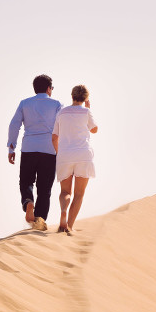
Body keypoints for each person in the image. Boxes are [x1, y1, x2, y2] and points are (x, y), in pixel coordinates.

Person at [7, 74, 62, 231]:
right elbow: (62, 126)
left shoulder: (25, 103)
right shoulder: (57, 104)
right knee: (45, 189)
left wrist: (12, 147)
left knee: (26, 181)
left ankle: (28, 202)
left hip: (29, 148)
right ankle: (39, 220)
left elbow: (14, 125)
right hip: (49, 149)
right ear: (48, 88)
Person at [51, 85, 98, 234]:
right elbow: (95, 129)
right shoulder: (86, 111)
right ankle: (68, 226)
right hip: (83, 155)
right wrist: (88, 108)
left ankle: (64, 210)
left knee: (65, 191)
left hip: (65, 155)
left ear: (72, 96)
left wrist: (60, 153)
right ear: (85, 99)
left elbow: (54, 137)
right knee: (79, 194)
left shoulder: (61, 113)